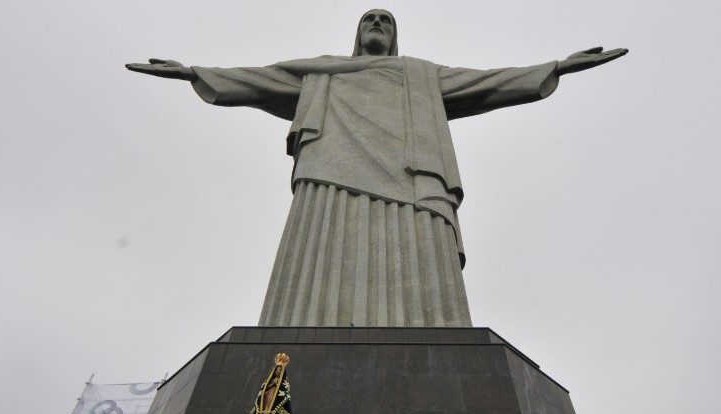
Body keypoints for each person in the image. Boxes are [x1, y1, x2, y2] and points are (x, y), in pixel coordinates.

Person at [126, 9, 627, 328]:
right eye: (370, 20)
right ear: (356, 32)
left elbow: (489, 82)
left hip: (412, 177)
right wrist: (194, 72)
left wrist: (555, 67)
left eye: (386, 22)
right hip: (329, 176)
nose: (377, 27)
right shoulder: (322, 70)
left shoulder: (420, 75)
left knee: (417, 261)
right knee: (323, 252)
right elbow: (262, 78)